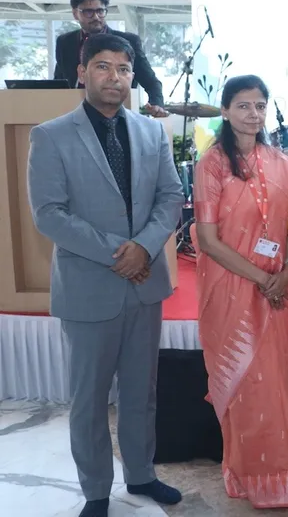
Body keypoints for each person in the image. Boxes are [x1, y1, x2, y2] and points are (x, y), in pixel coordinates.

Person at [27, 33, 184, 517]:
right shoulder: (50, 135)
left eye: (122, 69)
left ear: (132, 77)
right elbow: (49, 213)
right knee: (89, 399)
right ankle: (96, 491)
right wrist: (120, 253)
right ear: (82, 72)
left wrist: (145, 247)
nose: (113, 77)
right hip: (89, 287)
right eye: (102, 67)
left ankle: (142, 474)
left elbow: (171, 197)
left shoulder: (151, 132)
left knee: (142, 392)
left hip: (144, 286)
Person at [192, 75, 288, 508]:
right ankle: (247, 474)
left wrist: (285, 267)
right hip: (231, 290)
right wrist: (263, 279)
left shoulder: (282, 161)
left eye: (260, 105)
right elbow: (207, 240)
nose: (254, 114)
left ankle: (286, 477)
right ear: (225, 111)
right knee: (245, 383)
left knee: (280, 382)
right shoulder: (211, 165)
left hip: (278, 290)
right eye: (243, 106)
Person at [54, 0, 167, 117]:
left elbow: (152, 82)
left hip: (119, 113)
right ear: (75, 13)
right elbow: (59, 83)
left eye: (100, 11)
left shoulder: (128, 41)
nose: (96, 17)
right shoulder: (65, 42)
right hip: (75, 114)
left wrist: (156, 104)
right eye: (89, 12)